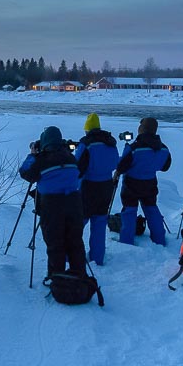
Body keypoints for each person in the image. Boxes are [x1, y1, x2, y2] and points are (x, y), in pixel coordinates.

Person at [19, 125, 88, 278]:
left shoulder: (41, 161)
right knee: (75, 241)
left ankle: (57, 278)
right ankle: (79, 275)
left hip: (52, 205)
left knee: (55, 243)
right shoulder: (70, 158)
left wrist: (32, 155)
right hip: (74, 203)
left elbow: (25, 173)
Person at [113, 117, 172, 246]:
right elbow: (165, 167)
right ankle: (159, 238)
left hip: (132, 183)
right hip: (150, 183)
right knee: (151, 209)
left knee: (129, 211)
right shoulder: (163, 148)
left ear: (142, 129)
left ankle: (126, 240)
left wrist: (117, 173)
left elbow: (122, 166)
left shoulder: (134, 148)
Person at [73, 113, 119, 266]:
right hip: (106, 186)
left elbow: (77, 166)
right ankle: (97, 257)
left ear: (87, 129)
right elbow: (115, 163)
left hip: (88, 187)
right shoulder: (110, 143)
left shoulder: (86, 144)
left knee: (78, 223)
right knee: (99, 222)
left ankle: (72, 254)